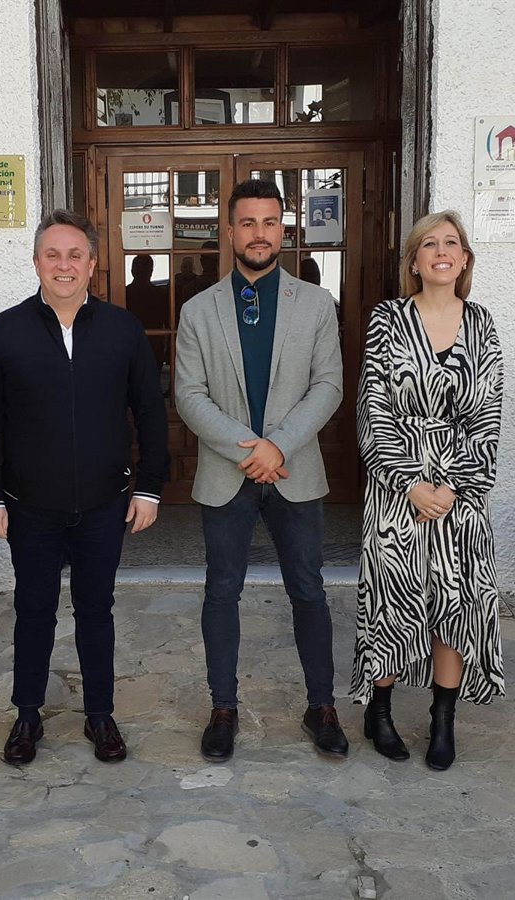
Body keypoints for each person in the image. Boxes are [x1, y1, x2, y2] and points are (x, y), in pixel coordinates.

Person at [0, 209, 168, 766]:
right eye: (52, 255)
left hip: (105, 504)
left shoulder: (123, 330)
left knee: (96, 610)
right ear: (36, 262)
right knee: (33, 611)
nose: (64, 265)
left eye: (75, 255)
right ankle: (27, 714)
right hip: (29, 506)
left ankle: (100, 714)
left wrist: (149, 487)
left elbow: (150, 410)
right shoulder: (5, 333)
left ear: (92, 264)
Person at [174, 179, 345, 763]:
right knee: (222, 592)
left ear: (283, 229)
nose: (259, 233)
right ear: (229, 231)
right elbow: (189, 395)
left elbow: (328, 385)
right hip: (228, 475)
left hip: (295, 472)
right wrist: (251, 450)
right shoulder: (198, 310)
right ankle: (223, 708)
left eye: (269, 222)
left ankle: (321, 706)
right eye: (247, 223)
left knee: (309, 590)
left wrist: (280, 448)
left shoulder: (316, 304)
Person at [351, 211, 504, 771]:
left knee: (454, 605)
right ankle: (380, 711)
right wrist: (411, 483)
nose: (441, 252)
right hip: (398, 489)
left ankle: (444, 719)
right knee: (392, 601)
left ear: (464, 259)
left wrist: (455, 487)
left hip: (461, 493)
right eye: (429, 244)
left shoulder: (482, 324)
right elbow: (373, 408)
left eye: (452, 243)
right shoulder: (388, 319)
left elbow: (488, 414)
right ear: (414, 261)